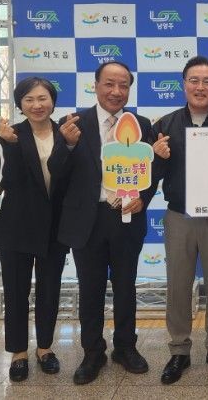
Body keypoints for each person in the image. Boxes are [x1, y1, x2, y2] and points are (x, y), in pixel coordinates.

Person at [48, 61, 158, 385]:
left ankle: (125, 347)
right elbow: (56, 171)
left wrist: (143, 197)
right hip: (88, 219)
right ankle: (92, 352)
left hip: (126, 217)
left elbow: (151, 172)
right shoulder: (72, 123)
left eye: (123, 85)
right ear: (95, 85)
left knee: (126, 286)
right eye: (109, 84)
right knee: (90, 288)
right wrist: (67, 144)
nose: (116, 91)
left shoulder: (141, 124)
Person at [151, 56, 208, 384]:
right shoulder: (165, 124)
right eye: (194, 80)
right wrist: (156, 157)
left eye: (207, 81)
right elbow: (151, 176)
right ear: (184, 84)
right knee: (178, 285)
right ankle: (179, 350)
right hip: (179, 216)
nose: (200, 87)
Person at [0, 77, 69, 381]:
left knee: (50, 289)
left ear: (52, 101)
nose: (37, 105)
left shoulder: (66, 133)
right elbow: (5, 179)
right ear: (20, 104)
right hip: (17, 225)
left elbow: (70, 175)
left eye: (42, 98)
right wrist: (7, 145)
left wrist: (70, 144)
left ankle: (45, 348)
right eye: (29, 99)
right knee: (15, 291)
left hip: (55, 226)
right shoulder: (9, 135)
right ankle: (19, 353)